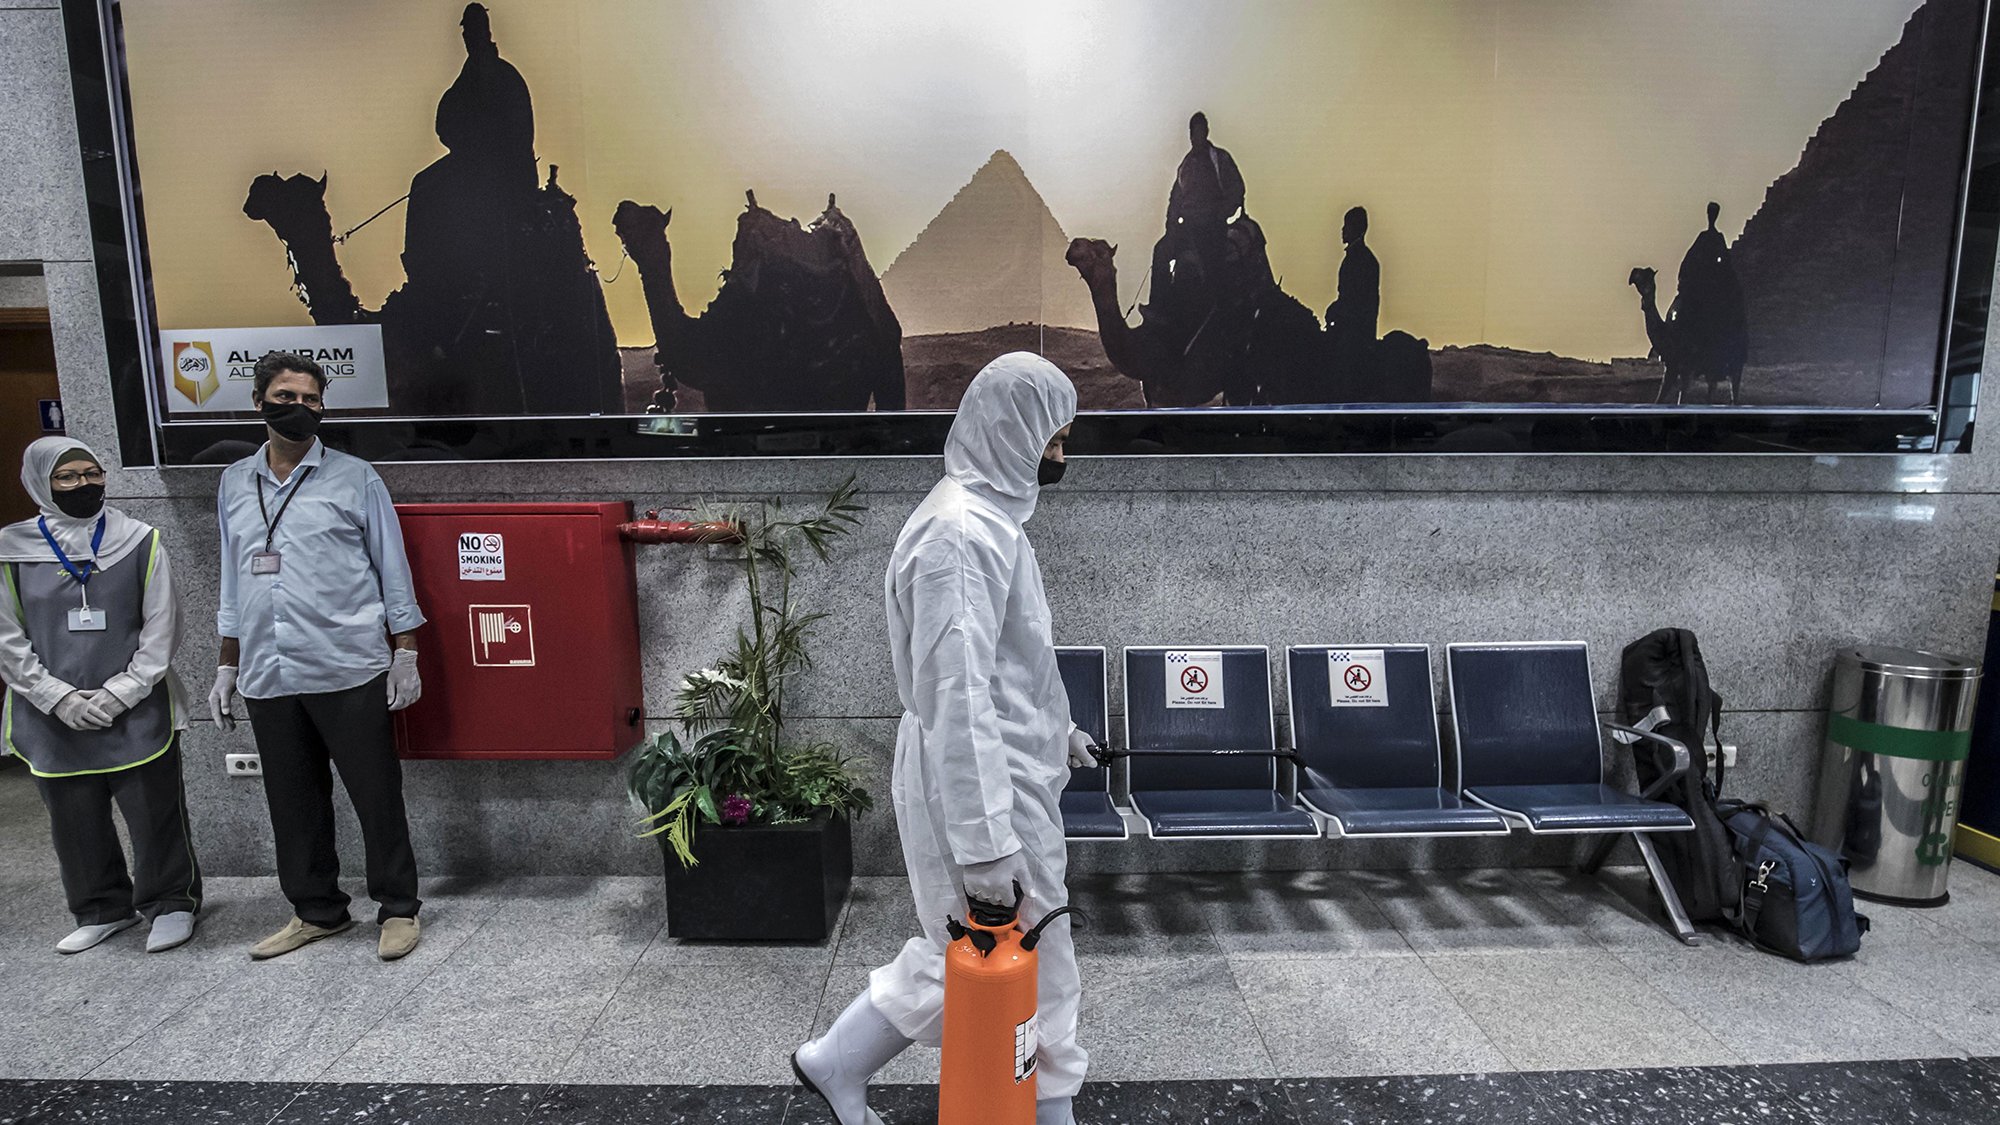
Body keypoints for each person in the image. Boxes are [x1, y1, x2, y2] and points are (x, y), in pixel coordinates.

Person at [793, 352, 1093, 1125]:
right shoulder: (959, 537)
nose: (1059, 455)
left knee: (971, 949)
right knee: (1038, 956)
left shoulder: (992, 522)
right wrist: (989, 843)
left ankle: (836, 1059)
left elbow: (1006, 666)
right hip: (980, 788)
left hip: (1006, 773)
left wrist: (1060, 734)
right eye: (1051, 440)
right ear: (1009, 432)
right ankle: (1049, 1114)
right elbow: (954, 697)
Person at [209, 351, 428, 962]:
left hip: (346, 662)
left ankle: (399, 909)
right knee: (292, 800)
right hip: (267, 670)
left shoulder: (356, 478)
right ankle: (317, 911)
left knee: (376, 794)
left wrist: (405, 650)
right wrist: (227, 663)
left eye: (310, 399)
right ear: (259, 402)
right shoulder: (232, 481)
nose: (298, 408)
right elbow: (233, 579)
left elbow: (393, 568)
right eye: (285, 397)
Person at [0, 439, 198, 955]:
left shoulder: (139, 540)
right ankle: (102, 908)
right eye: (67, 477)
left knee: (154, 813)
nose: (84, 484)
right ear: (41, 482)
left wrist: (120, 693)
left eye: (92, 473)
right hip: (50, 715)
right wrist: (58, 698)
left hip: (136, 705)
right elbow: (7, 636)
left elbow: (163, 625)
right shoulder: (11, 550)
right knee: (74, 818)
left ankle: (170, 902)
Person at [1152, 111, 1247, 315]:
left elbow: (1236, 188)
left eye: (1200, 130)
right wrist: (1171, 228)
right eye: (1194, 131)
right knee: (1161, 251)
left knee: (1211, 265)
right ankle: (1158, 307)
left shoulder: (1219, 159)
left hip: (1213, 225)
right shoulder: (1185, 167)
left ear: (1206, 131)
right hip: (1188, 227)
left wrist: (1220, 214)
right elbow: (1175, 199)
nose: (1197, 135)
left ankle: (1220, 311)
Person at [1326, 205, 1380, 353]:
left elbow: (1355, 299)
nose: (1343, 230)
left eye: (1347, 226)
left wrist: (1336, 310)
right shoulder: (1359, 257)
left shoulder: (1361, 259)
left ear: (1357, 228)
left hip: (1356, 332)